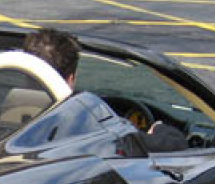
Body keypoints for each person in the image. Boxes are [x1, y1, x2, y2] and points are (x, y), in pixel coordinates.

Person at [23, 26, 187, 151]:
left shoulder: (1, 111)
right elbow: (174, 144)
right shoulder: (85, 121)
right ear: (71, 79)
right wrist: (158, 128)